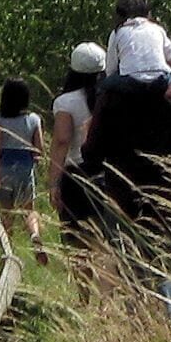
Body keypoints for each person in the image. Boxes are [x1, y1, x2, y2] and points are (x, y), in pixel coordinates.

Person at [82, 49, 171, 322]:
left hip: (124, 200)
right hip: (167, 198)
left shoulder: (111, 98)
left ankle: (145, 339)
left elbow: (90, 155)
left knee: (133, 271)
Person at [46, 41, 106, 264]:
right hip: (106, 173)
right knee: (104, 240)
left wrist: (53, 183)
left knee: (77, 242)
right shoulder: (110, 97)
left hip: (76, 177)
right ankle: (107, 294)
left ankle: (83, 297)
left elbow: (62, 141)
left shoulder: (66, 102)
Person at [0, 77, 44, 247]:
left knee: (6, 210)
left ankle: (7, 246)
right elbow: (39, 149)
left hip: (4, 166)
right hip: (25, 166)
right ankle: (34, 234)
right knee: (29, 209)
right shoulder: (34, 119)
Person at [103, 0, 171, 96]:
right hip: (160, 82)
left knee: (104, 86)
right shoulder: (157, 29)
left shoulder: (117, 33)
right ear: (148, 13)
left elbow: (110, 70)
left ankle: (95, 113)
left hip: (130, 84)